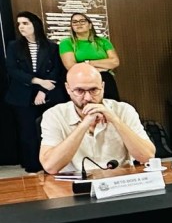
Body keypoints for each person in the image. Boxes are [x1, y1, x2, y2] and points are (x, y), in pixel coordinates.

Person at [39, 63, 154, 175]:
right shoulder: (54, 115)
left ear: (102, 87)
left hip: (119, 181)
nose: (88, 98)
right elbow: (50, 167)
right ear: (68, 88)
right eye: (79, 91)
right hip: (74, 184)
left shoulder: (124, 110)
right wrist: (84, 125)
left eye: (94, 90)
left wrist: (115, 120)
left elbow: (147, 157)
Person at [4, 11, 67, 173]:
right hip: (22, 94)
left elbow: (55, 71)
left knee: (50, 128)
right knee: (27, 131)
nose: (21, 27)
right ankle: (32, 164)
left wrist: (42, 90)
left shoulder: (52, 47)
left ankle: (52, 162)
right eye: (19, 24)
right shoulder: (14, 46)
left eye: (25, 23)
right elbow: (12, 70)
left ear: (35, 24)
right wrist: (38, 81)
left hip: (48, 94)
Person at [58, 13, 121, 101]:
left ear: (90, 25)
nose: (78, 24)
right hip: (80, 81)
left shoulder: (103, 41)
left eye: (82, 21)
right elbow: (71, 66)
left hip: (104, 78)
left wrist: (88, 63)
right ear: (72, 27)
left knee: (109, 106)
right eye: (75, 22)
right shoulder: (66, 43)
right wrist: (101, 67)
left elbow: (114, 62)